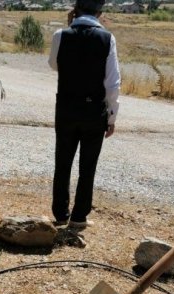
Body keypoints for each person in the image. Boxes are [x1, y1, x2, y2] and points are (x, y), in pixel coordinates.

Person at [48, 0, 120, 230]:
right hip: (93, 111)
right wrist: (112, 117)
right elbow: (112, 83)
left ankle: (60, 214)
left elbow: (53, 65)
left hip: (66, 108)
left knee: (63, 163)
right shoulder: (107, 39)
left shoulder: (61, 35)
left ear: (76, 9)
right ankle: (79, 216)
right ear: (100, 12)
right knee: (88, 166)